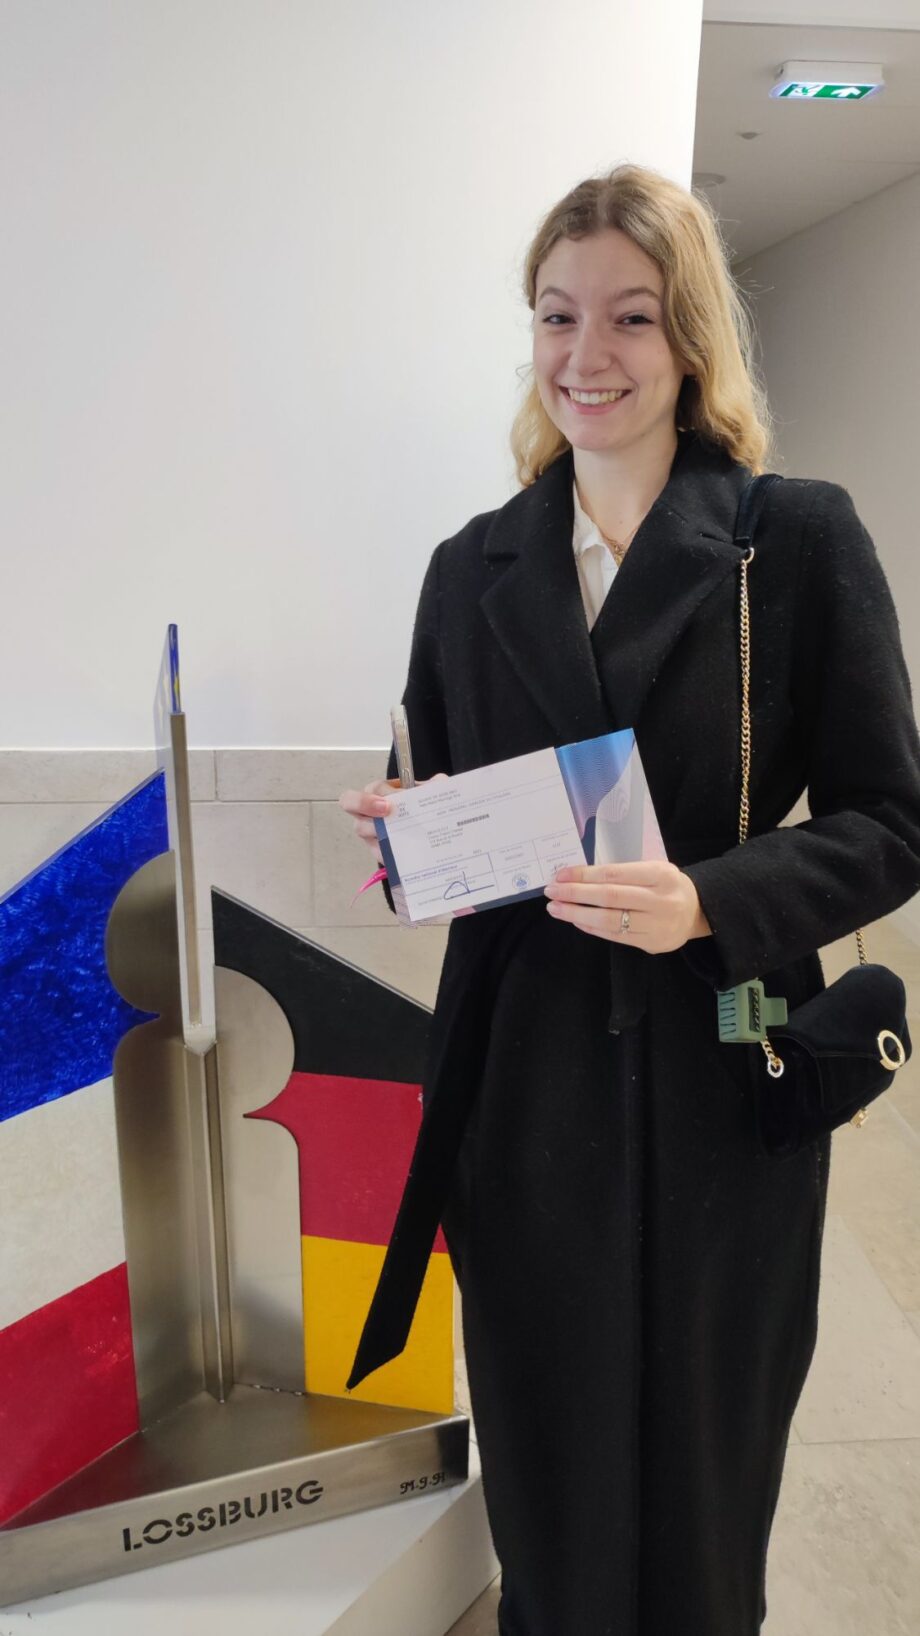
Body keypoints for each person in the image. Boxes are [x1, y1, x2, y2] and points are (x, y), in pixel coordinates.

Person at [339, 163, 920, 1636]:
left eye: (631, 316)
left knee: (707, 1461)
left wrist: (709, 899)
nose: (586, 354)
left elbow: (893, 820)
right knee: (549, 1454)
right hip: (524, 1076)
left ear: (691, 338)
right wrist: (408, 832)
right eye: (557, 315)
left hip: (724, 1058)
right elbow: (437, 785)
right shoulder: (470, 567)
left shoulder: (794, 543)